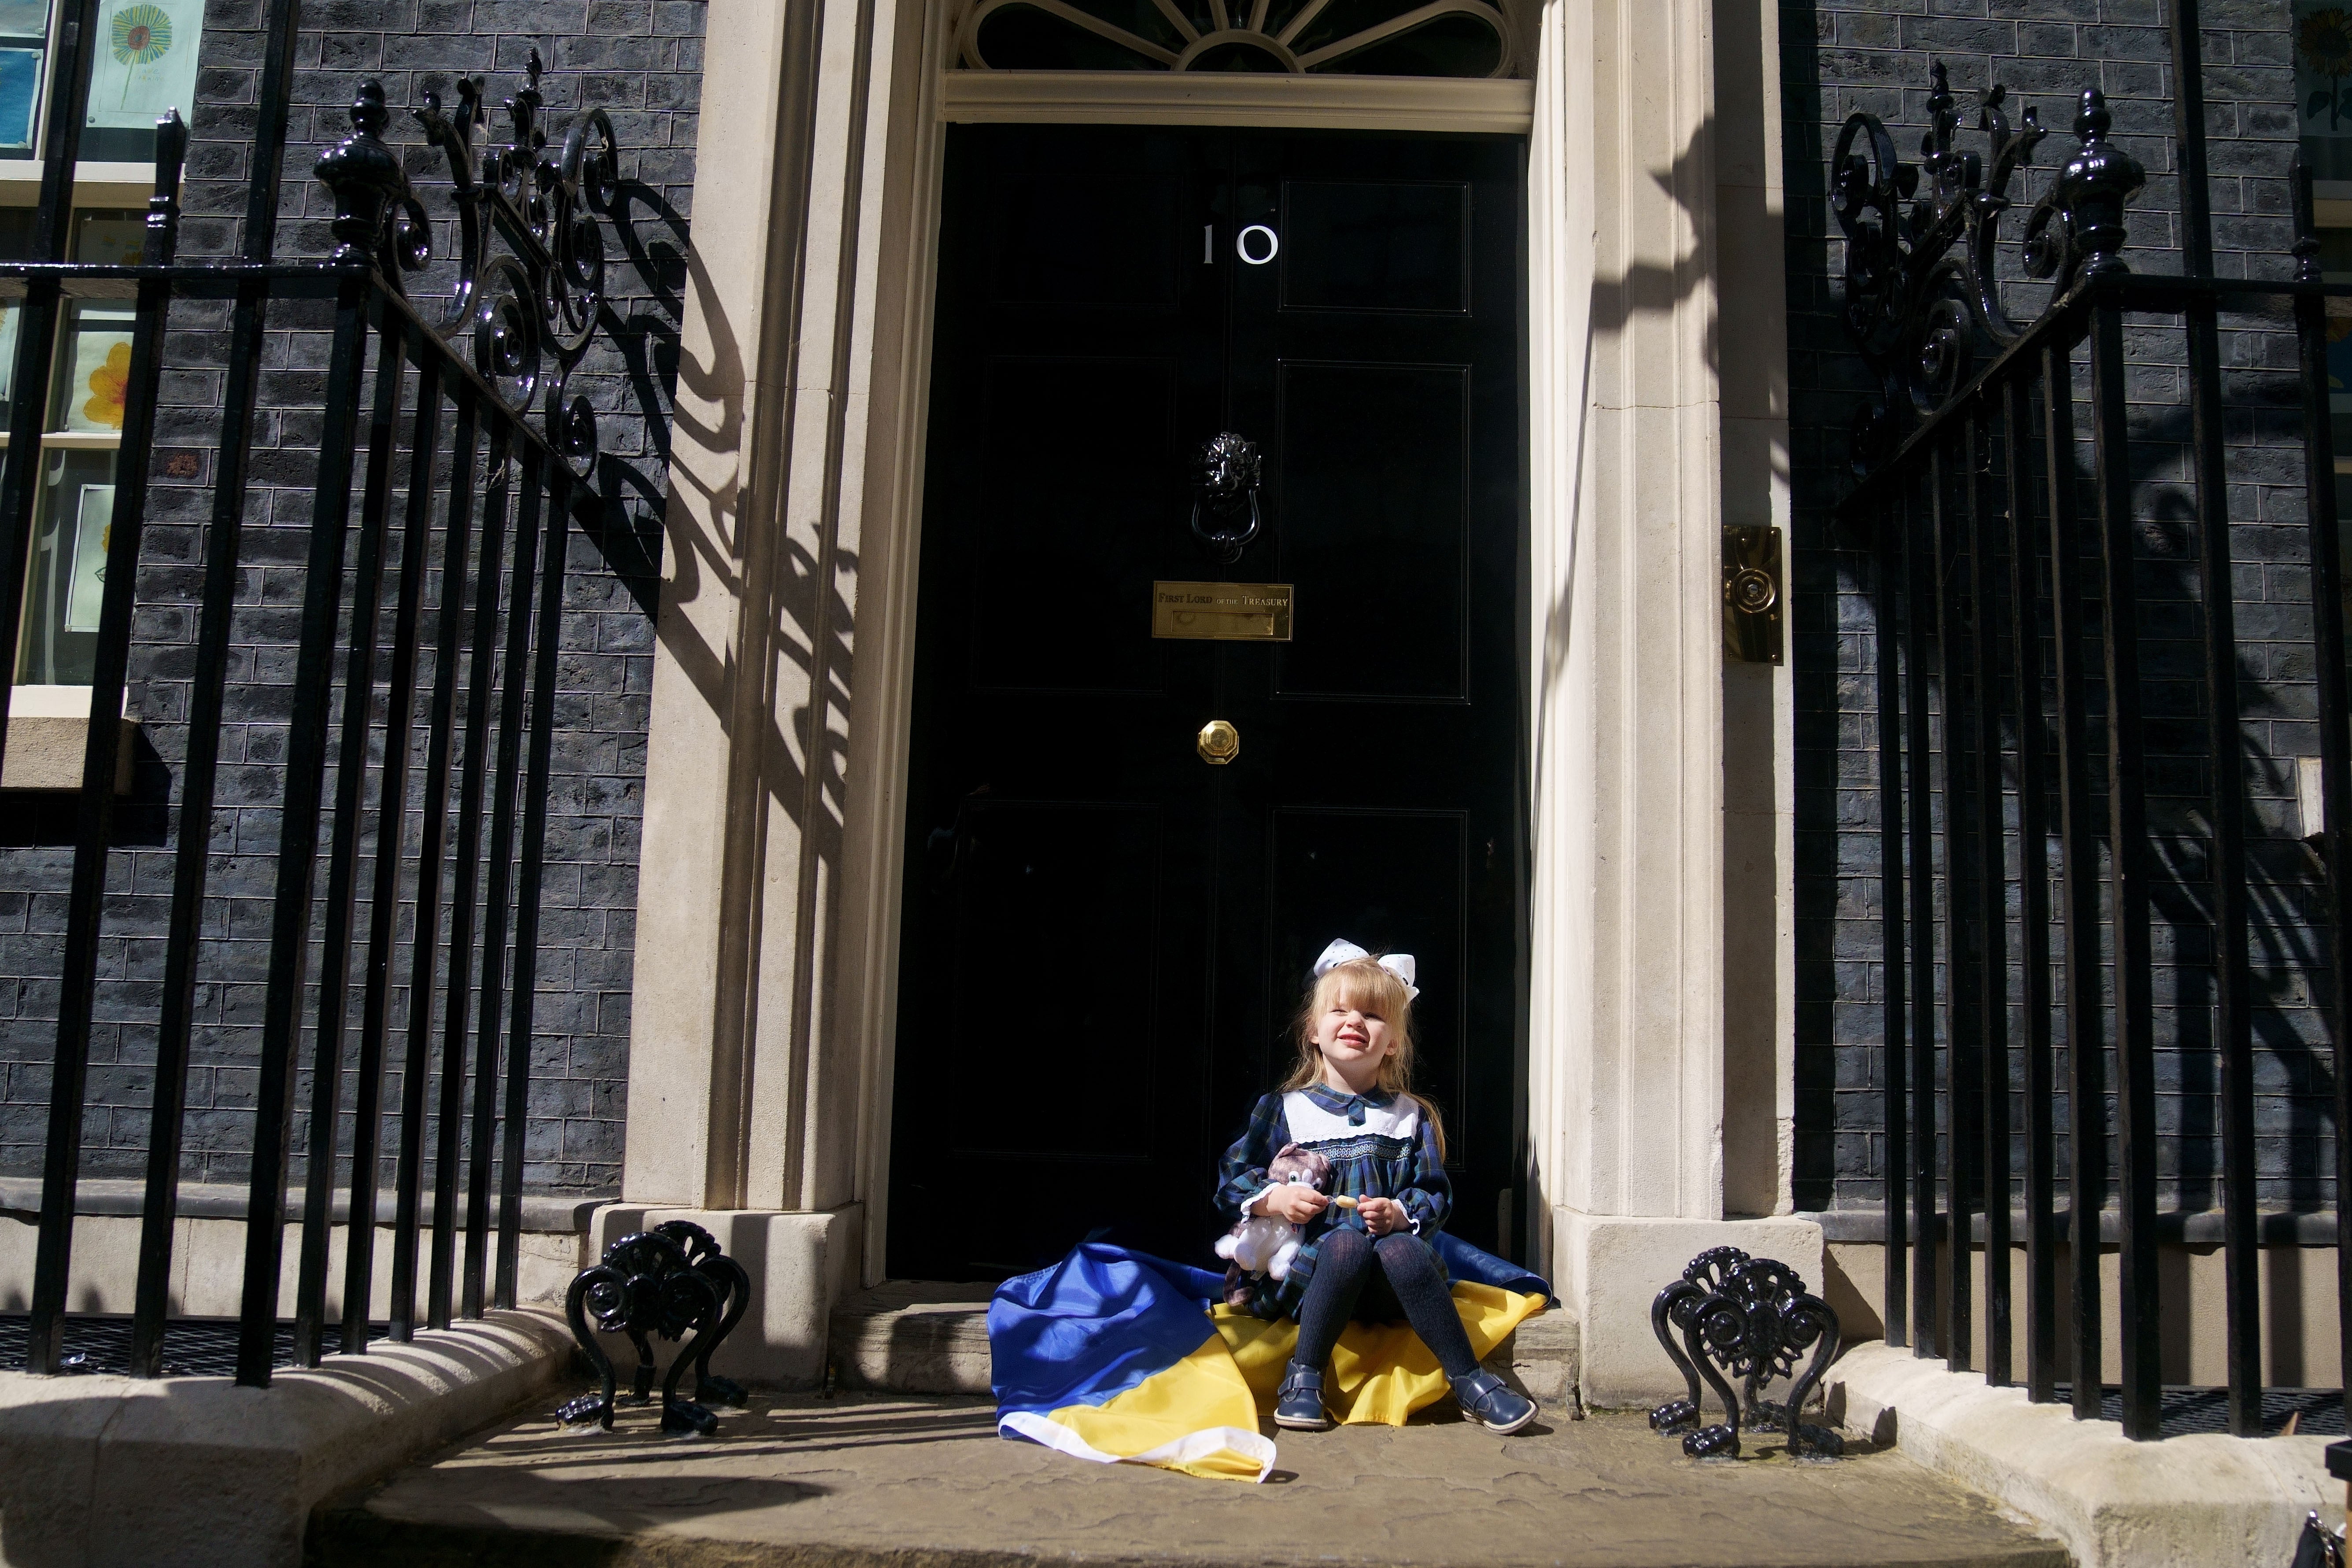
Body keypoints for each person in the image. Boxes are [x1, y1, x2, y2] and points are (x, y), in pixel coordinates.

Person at [1213, 939, 1538, 1435]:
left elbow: (1433, 1193)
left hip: (1391, 1288)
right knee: (1344, 1244)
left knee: (1401, 1251)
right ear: (1313, 1032)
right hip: (1311, 1277)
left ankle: (1469, 1379)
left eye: (1372, 1014)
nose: (1354, 1022)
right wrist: (1275, 1199)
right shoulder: (1283, 1109)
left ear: (1393, 1042)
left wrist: (1399, 1214)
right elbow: (1232, 1178)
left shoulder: (1410, 1117)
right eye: (1339, 1010)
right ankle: (1304, 1378)